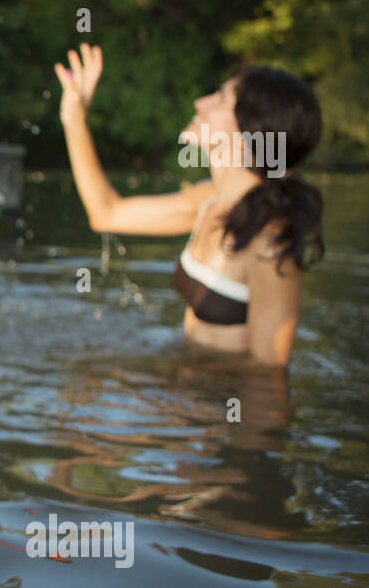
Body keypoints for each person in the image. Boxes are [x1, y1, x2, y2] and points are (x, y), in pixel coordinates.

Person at [54, 43, 324, 366]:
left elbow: (268, 372)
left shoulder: (269, 241)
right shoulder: (207, 201)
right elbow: (106, 213)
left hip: (217, 408)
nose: (200, 102)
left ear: (249, 131)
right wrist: (74, 119)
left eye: (220, 99)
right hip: (187, 393)